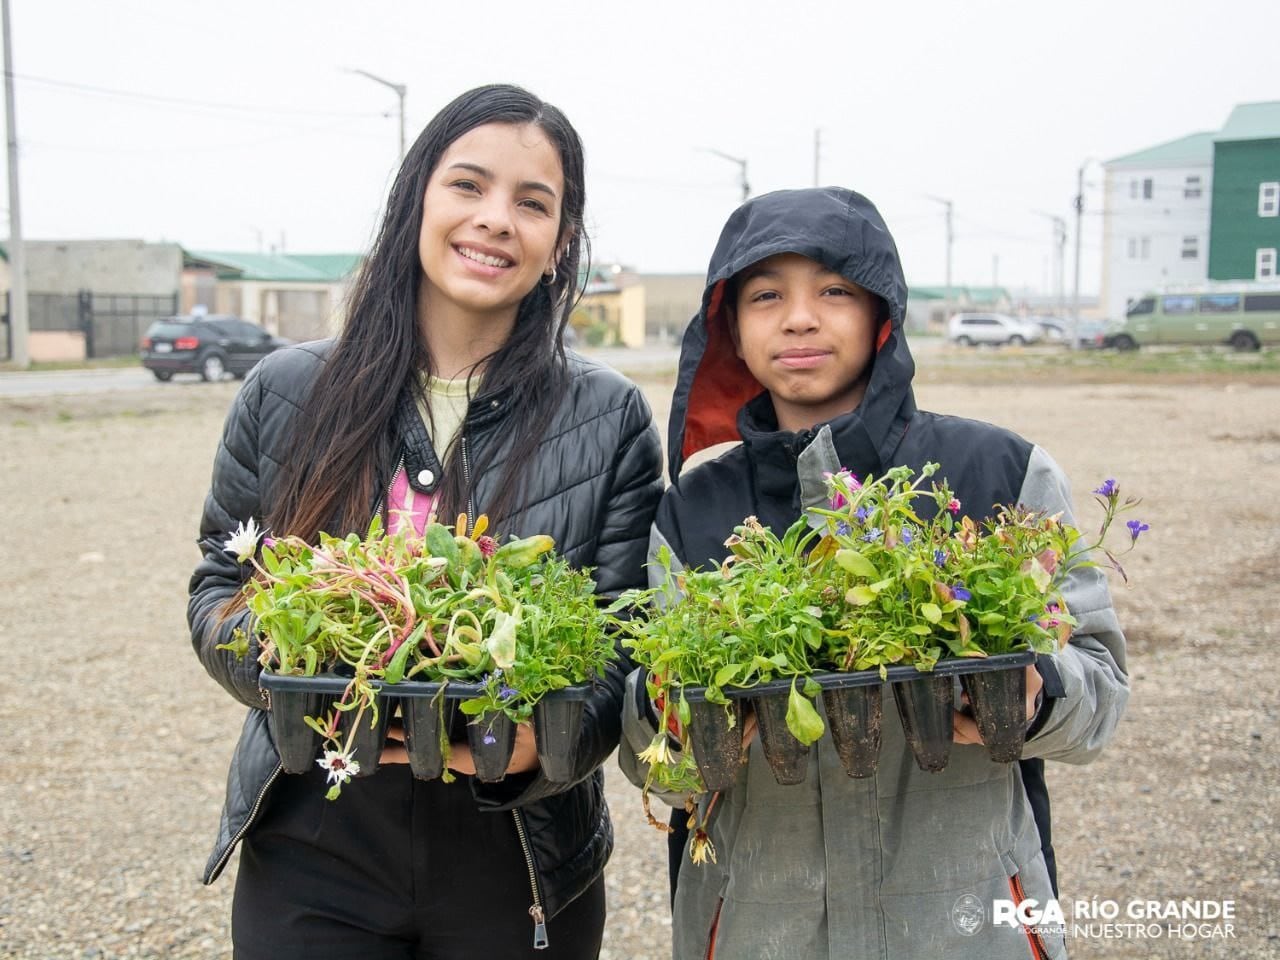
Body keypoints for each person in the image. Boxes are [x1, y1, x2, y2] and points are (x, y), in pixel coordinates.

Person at [189, 84, 663, 959]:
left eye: (532, 204)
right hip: (314, 835)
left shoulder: (608, 415)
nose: (494, 220)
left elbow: (628, 637)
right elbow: (221, 584)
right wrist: (290, 664)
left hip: (518, 851)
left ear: (560, 245)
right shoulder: (288, 391)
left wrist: (547, 737)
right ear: (417, 200)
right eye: (468, 186)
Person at [619, 187, 1128, 958]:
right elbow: (648, 752)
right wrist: (679, 723)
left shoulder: (997, 470)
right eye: (766, 296)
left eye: (833, 290)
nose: (799, 317)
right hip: (761, 925)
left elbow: (1101, 690)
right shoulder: (694, 508)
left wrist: (1036, 691)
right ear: (729, 328)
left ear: (880, 314)